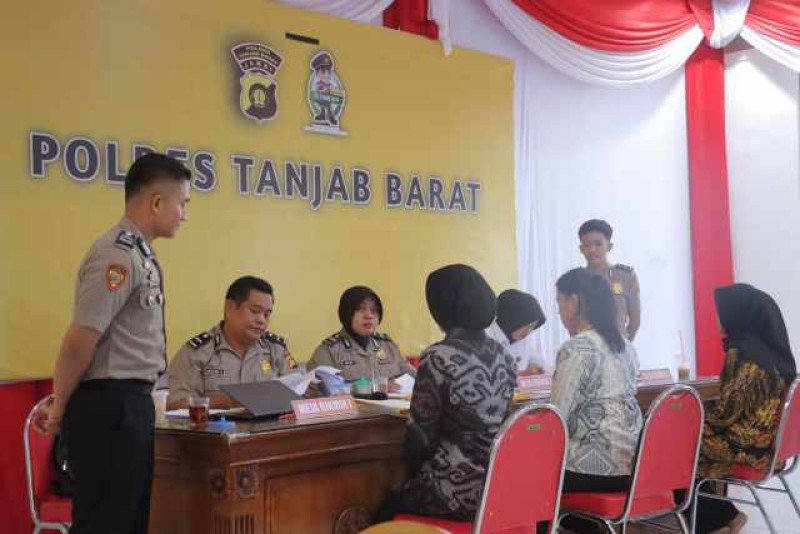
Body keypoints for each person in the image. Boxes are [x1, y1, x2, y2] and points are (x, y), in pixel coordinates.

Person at [33, 153, 191, 533]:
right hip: (109, 409)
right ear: (157, 202)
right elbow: (80, 339)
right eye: (182, 203)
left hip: (130, 405)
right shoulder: (116, 256)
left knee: (129, 521)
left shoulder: (140, 253)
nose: (184, 215)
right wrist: (59, 405)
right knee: (106, 523)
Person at [376, 264, 517, 522]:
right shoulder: (505, 356)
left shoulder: (438, 357)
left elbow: (420, 437)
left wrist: (417, 475)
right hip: (497, 488)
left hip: (453, 493)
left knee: (383, 509)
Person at [692, 284, 797, 534]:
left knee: (679, 450)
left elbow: (725, 415)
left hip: (747, 448)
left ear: (736, 314)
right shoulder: (772, 352)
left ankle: (712, 524)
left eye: (720, 311)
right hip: (767, 444)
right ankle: (724, 517)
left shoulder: (744, 355)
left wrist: (695, 419)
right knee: (691, 443)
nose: (717, 318)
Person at [551, 268, 643, 494]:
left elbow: (557, 417)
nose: (558, 311)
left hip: (590, 472)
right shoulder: (626, 346)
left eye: (559, 302)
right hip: (634, 468)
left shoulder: (576, 348)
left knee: (526, 468)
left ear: (574, 301)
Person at [166, 276, 297, 409]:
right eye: (255, 311)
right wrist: (226, 402)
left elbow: (299, 391)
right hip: (217, 423)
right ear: (230, 308)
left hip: (271, 423)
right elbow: (175, 405)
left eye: (266, 314)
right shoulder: (196, 353)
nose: (261, 320)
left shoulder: (277, 349)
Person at [308, 285, 415, 383]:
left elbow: (415, 379)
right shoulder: (329, 351)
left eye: (374, 310)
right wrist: (375, 387)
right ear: (347, 313)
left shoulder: (388, 346)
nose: (369, 316)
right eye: (361, 309)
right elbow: (318, 392)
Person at [578, 219, 641, 340]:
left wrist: (623, 345)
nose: (592, 250)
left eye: (598, 244)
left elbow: (635, 321)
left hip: (617, 346)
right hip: (584, 347)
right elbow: (570, 321)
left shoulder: (626, 277)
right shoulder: (576, 280)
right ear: (581, 249)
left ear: (609, 246)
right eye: (587, 245)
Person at [485, 289, 546, 374]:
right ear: (512, 319)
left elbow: (537, 360)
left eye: (532, 326)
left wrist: (534, 365)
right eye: (526, 325)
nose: (528, 331)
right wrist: (521, 374)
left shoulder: (524, 339)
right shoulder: (485, 337)